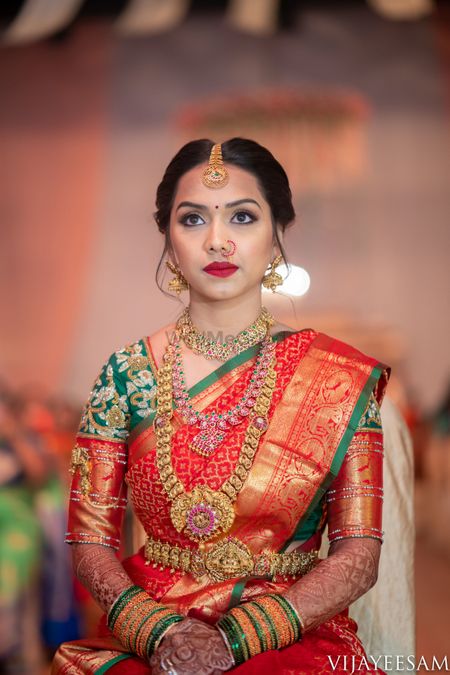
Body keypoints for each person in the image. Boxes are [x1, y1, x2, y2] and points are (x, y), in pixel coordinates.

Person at [52, 138, 390, 674]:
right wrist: (159, 631)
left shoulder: (337, 378)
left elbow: (360, 554)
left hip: (290, 636)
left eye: (242, 217)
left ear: (277, 232)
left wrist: (237, 639)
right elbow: (90, 539)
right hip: (151, 636)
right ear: (167, 237)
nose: (217, 241)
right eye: (192, 220)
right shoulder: (126, 375)